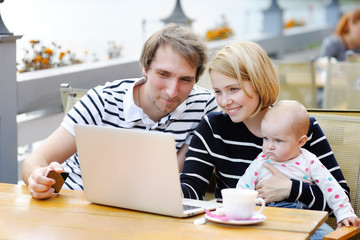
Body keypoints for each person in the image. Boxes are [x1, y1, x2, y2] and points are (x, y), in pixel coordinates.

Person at [22, 23, 218, 199]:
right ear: (145, 67)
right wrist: (38, 178)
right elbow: (36, 160)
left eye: (185, 79)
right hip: (76, 202)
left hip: (142, 213)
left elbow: (171, 179)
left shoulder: (204, 105)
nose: (172, 91)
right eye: (163, 74)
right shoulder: (102, 101)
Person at [180, 41, 350, 237]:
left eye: (233, 89)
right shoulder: (213, 127)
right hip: (236, 233)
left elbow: (340, 197)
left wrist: (291, 189)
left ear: (259, 83)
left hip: (292, 230)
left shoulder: (301, 128)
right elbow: (192, 189)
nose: (224, 101)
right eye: (218, 91)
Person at [236, 100, 360, 230]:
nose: (269, 146)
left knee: (327, 234)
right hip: (266, 216)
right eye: (266, 138)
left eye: (278, 140)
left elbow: (332, 188)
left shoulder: (309, 161)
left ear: (300, 142)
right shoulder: (261, 161)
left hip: (303, 218)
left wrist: (344, 213)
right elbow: (243, 187)